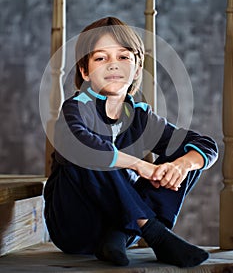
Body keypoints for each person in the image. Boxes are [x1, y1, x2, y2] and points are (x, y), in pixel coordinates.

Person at [44, 16, 218, 268]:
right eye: (101, 58)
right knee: (83, 150)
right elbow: (79, 143)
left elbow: (207, 145)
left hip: (121, 228)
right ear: (85, 71)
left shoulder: (139, 115)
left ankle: (121, 234)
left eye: (123, 57)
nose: (113, 65)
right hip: (76, 226)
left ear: (137, 69)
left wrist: (181, 166)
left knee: (186, 153)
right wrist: (139, 165)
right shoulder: (76, 108)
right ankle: (155, 233)